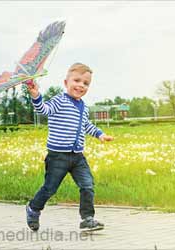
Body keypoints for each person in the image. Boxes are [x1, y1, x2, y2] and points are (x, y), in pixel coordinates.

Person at [25, 63, 114, 231]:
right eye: (77, 80)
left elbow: (86, 125)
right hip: (58, 155)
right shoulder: (59, 100)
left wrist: (100, 134)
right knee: (50, 188)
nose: (81, 85)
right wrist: (36, 95)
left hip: (77, 156)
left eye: (86, 83)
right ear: (66, 83)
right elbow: (44, 110)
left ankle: (87, 218)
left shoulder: (83, 106)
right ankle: (33, 209)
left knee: (87, 185)